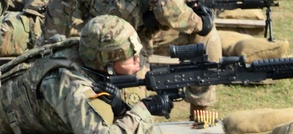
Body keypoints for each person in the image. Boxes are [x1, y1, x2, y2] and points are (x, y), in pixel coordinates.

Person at [0, 14, 172, 134]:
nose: (138, 61)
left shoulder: (94, 64)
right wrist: (143, 109)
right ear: (107, 63)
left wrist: (121, 109)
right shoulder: (72, 84)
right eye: (130, 57)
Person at [43, 0, 220, 118]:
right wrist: (201, 23)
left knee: (206, 40)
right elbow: (169, 9)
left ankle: (200, 115)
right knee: (126, 112)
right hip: (110, 37)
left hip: (146, 30)